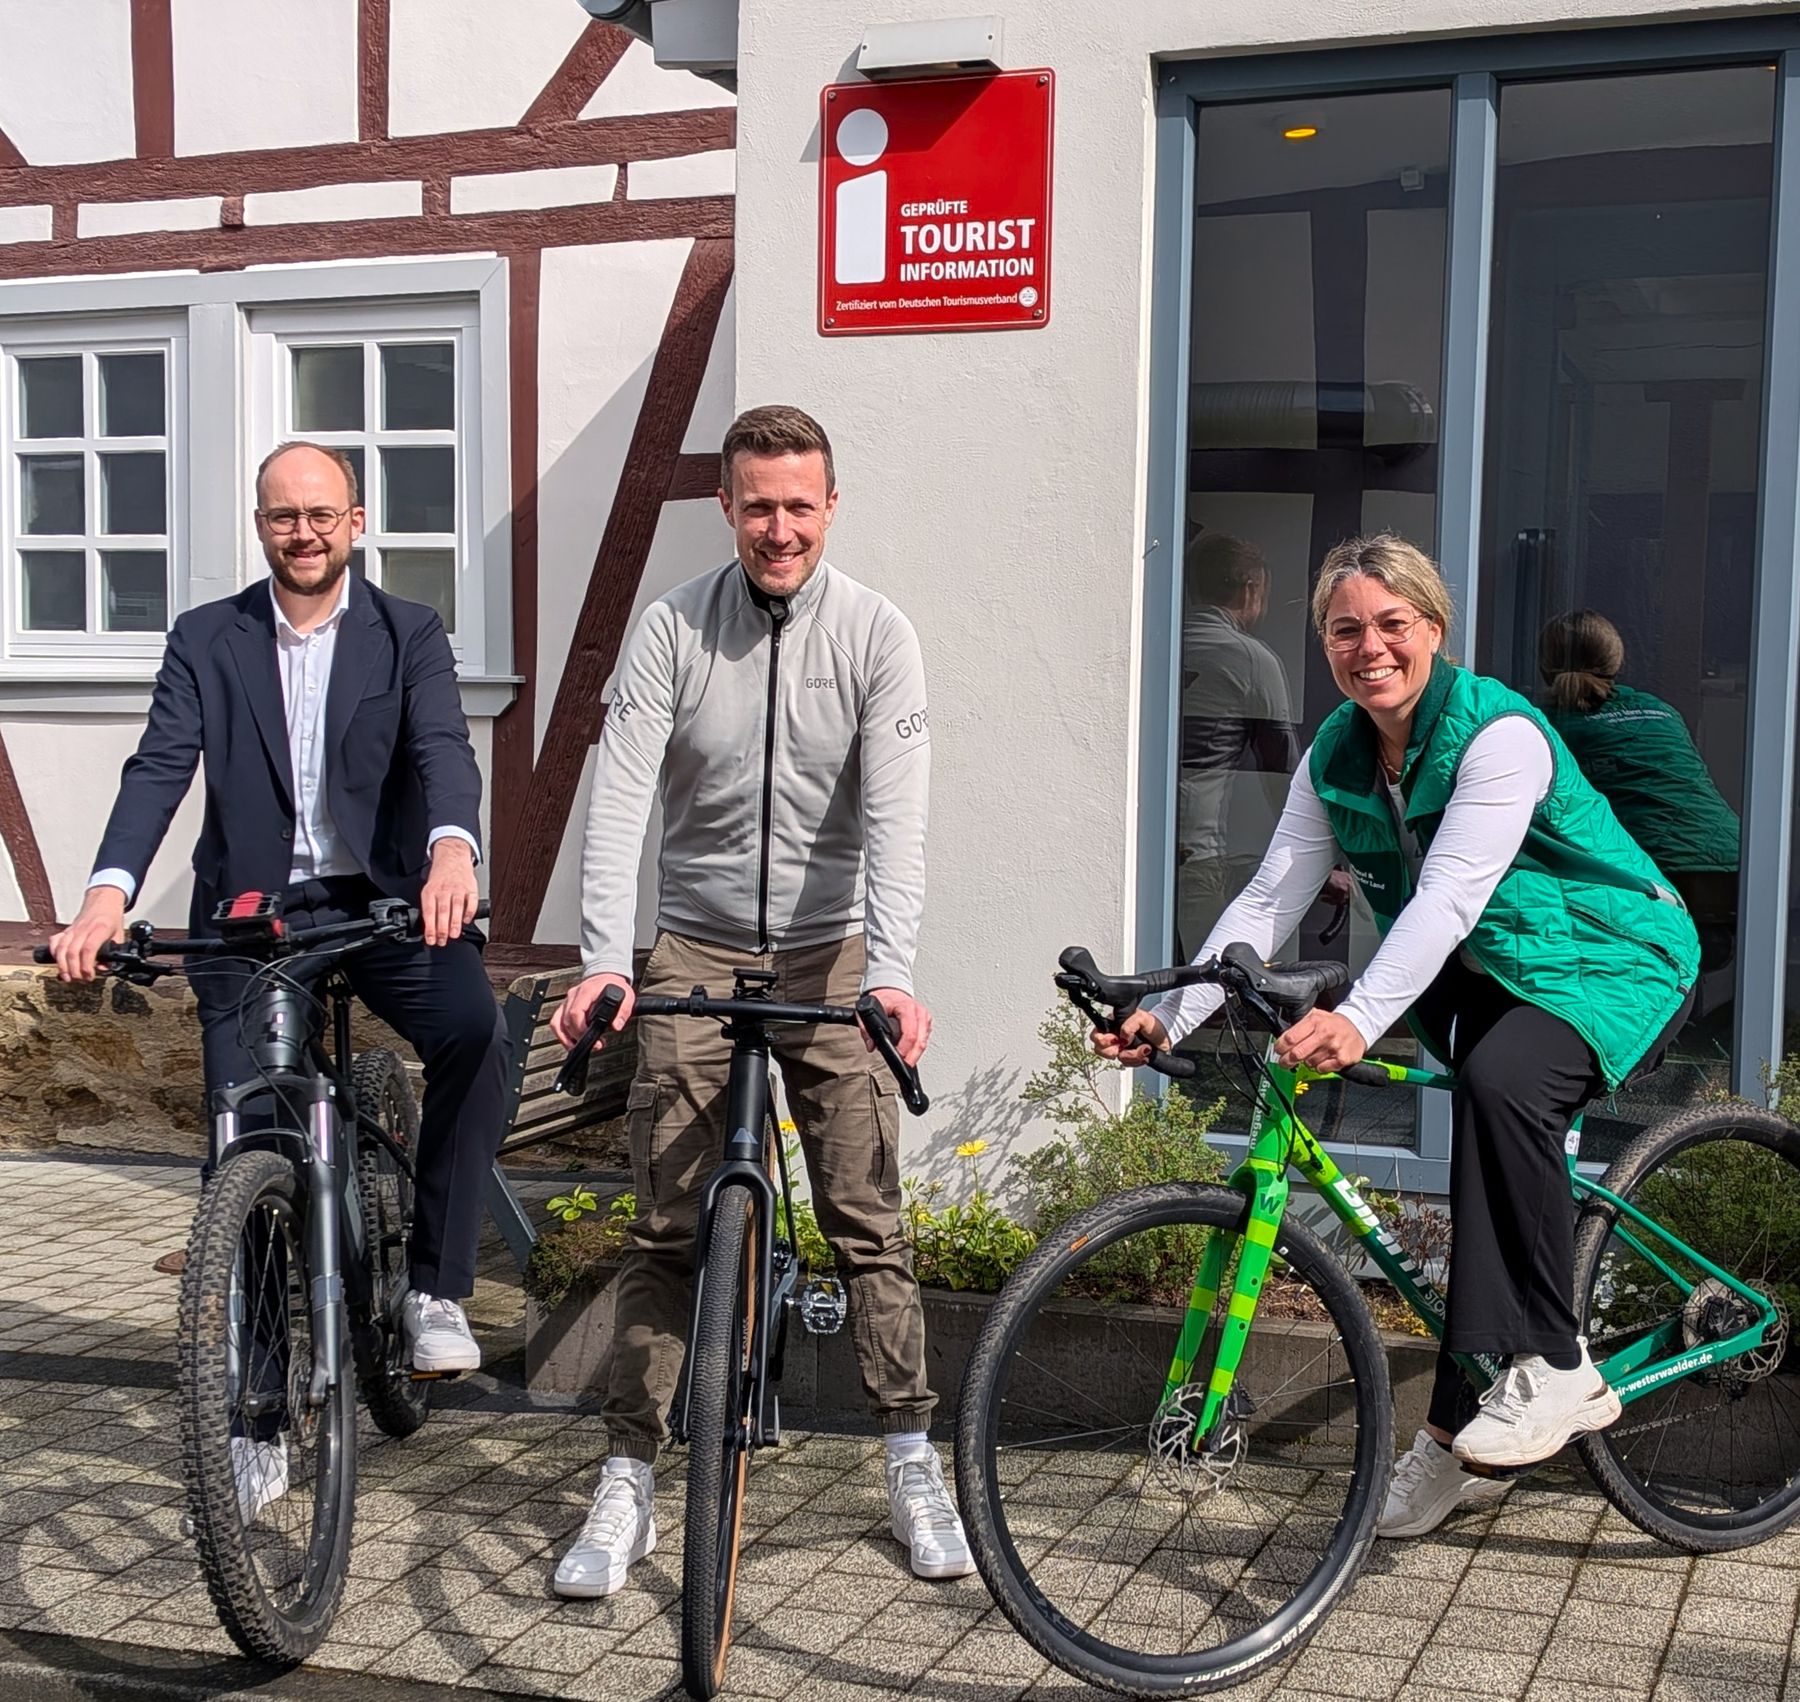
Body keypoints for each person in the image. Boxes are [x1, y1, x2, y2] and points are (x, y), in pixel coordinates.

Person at [1098, 533, 1698, 1540]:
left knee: (1506, 1083)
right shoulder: (1336, 748)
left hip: (1612, 955)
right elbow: (1270, 893)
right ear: (1323, 639)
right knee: (1485, 1145)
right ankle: (1454, 1436)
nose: (1368, 646)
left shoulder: (1499, 733)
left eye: (1392, 624)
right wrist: (1173, 1010)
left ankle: (1560, 1365)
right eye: (1345, 628)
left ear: (1434, 629)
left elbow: (1453, 895)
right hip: (1493, 973)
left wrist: (1359, 1015)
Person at [547, 404, 972, 1598]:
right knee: (667, 1224)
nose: (779, 527)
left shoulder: (878, 635)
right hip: (694, 944)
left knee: (864, 1212)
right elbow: (619, 797)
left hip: (829, 951)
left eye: (801, 504)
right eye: (758, 504)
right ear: (726, 506)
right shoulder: (673, 628)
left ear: (831, 506)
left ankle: (907, 1453)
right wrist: (604, 958)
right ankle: (627, 1473)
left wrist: (889, 971)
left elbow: (897, 817)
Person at [50, 442, 509, 1481]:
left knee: (472, 1027)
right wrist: (105, 893)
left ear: (356, 521)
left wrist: (450, 849)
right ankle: (258, 1406)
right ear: (260, 526)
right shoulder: (209, 638)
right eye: (280, 516)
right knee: (245, 1141)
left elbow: (444, 750)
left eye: (319, 514)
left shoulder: (408, 634)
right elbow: (159, 765)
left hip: (381, 903)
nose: (300, 532)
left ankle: (434, 1283)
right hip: (255, 919)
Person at [1538, 609, 1739, 988]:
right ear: (1615, 660)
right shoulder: (1661, 711)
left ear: (1544, 664)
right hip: (1729, 862)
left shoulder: (1543, 724)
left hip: (1656, 872)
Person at [1175, 532, 1300, 959]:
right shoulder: (1250, 658)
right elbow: (1282, 774)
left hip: (1138, 849)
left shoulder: (1159, 646)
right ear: (1251, 590)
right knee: (1203, 989)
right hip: (1198, 856)